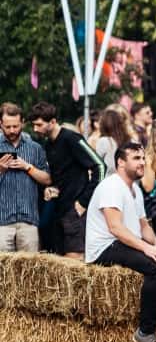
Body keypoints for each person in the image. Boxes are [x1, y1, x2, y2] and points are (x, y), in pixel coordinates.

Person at [85, 141, 156, 342]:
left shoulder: (135, 189)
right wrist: (146, 249)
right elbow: (115, 228)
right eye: (136, 158)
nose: (143, 163)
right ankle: (146, 333)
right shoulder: (112, 186)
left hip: (122, 242)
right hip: (105, 247)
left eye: (143, 158)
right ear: (121, 162)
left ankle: (147, 332)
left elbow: (143, 226)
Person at [30, 101, 105, 258]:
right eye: (34, 125)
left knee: (75, 261)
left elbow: (99, 166)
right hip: (59, 209)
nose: (35, 129)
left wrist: (84, 201)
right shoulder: (49, 145)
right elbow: (61, 176)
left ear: (52, 122)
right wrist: (52, 189)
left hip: (75, 210)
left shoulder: (72, 138)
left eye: (39, 124)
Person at [0, 103, 51, 252]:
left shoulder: (35, 148)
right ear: (0, 124)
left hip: (29, 219)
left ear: (23, 122)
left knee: (29, 272)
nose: (12, 131)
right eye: (7, 127)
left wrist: (27, 167)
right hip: (2, 221)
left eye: (15, 126)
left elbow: (47, 179)